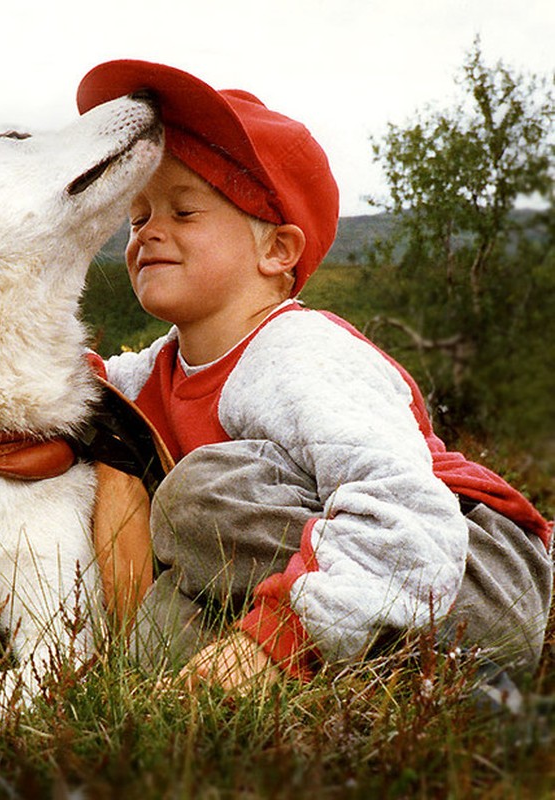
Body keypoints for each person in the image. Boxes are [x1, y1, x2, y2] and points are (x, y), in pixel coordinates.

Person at [76, 60, 553, 691]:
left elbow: (408, 516)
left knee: (200, 496)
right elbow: (63, 383)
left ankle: (440, 673)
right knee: (155, 644)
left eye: (184, 212)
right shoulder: (147, 373)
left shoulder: (300, 352)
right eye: (137, 218)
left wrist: (276, 642)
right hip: (356, 580)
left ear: (277, 251)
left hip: (471, 567)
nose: (147, 233)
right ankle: (415, 692)